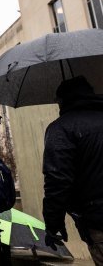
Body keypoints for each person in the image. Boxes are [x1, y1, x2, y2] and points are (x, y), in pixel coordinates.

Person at [42, 76, 103, 265]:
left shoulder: (61, 129)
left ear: (62, 100)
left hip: (98, 219)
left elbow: (57, 180)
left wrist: (53, 224)